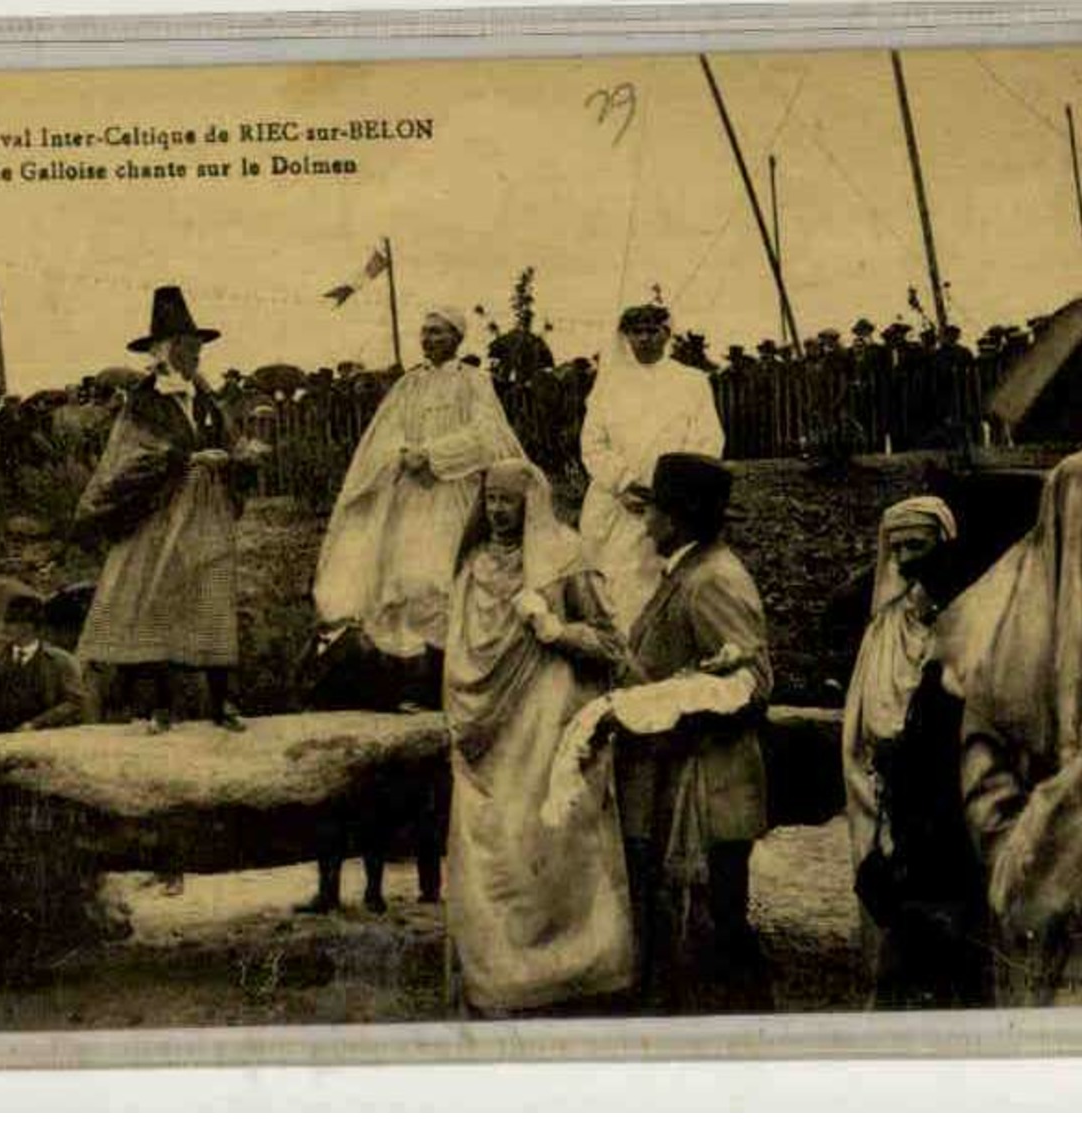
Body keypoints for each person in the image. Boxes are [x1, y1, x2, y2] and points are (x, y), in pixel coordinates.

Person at [943, 446, 1082, 1006]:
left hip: (1079, 931)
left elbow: (986, 792)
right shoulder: (1020, 652)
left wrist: (1020, 851)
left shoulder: (1009, 650)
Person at [443, 459, 634, 1014]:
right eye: (492, 501)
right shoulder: (472, 567)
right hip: (488, 735)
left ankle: (576, 970)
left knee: (551, 842)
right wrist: (461, 716)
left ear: (533, 503)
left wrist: (555, 631)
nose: (499, 511)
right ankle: (500, 976)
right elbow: (456, 655)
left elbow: (612, 644)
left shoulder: (567, 556)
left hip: (550, 723)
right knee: (495, 847)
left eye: (509, 501)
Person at [608, 453, 773, 1014]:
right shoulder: (689, 572)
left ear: (676, 519)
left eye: (653, 510)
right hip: (684, 783)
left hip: (709, 787)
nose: (646, 521)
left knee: (717, 930)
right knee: (693, 930)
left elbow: (752, 683)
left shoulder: (711, 581)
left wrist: (666, 708)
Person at [312, 307, 524, 707]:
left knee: (444, 578)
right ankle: (410, 682)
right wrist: (403, 455)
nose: (429, 340)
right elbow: (384, 434)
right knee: (405, 581)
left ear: (457, 338)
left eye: (439, 333)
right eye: (425, 332)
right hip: (412, 494)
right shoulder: (409, 384)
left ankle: (453, 684)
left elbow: (487, 435)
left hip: (453, 491)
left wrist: (434, 455)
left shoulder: (474, 382)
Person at [74, 286, 260, 733]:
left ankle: (223, 703)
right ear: (166, 350)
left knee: (212, 596)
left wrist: (239, 457)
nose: (195, 354)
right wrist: (186, 459)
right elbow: (131, 456)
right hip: (158, 512)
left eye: (197, 347)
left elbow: (228, 441)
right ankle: (157, 707)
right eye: (187, 346)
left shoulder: (206, 397)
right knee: (155, 598)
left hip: (206, 509)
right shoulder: (144, 401)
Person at [840, 496, 957, 985]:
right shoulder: (883, 627)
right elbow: (867, 708)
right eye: (899, 546)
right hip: (876, 773)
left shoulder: (961, 621)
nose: (908, 557)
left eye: (919, 544)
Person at [580, 302, 725, 633]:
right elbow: (593, 444)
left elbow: (707, 440)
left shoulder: (691, 381)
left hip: (671, 504)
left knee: (661, 580)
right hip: (617, 503)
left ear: (666, 334)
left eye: (652, 330)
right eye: (636, 331)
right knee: (613, 583)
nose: (644, 338)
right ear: (626, 336)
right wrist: (624, 483)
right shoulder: (608, 384)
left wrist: (672, 493)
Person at [0, 594, 93, 736]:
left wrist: (36, 724)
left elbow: (74, 703)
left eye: (12, 623)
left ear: (29, 626)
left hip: (43, 738)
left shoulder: (60, 661)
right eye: (8, 622)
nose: (6, 628)